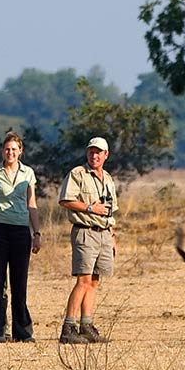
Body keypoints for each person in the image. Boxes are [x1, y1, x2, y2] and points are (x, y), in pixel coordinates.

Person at [57, 136, 118, 344]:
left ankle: (86, 325)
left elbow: (111, 210)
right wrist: (91, 208)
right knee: (83, 281)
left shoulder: (108, 178)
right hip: (85, 232)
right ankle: (68, 327)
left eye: (98, 152)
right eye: (91, 151)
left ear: (106, 155)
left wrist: (112, 237)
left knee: (94, 281)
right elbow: (65, 200)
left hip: (104, 233)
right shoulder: (78, 174)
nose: (94, 155)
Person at [0, 131, 41, 342]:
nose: (10, 153)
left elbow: (32, 204)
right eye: (7, 149)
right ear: (2, 151)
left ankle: (22, 331)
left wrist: (37, 233)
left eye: (14, 149)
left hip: (20, 231)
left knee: (19, 283)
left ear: (20, 151)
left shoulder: (28, 173)